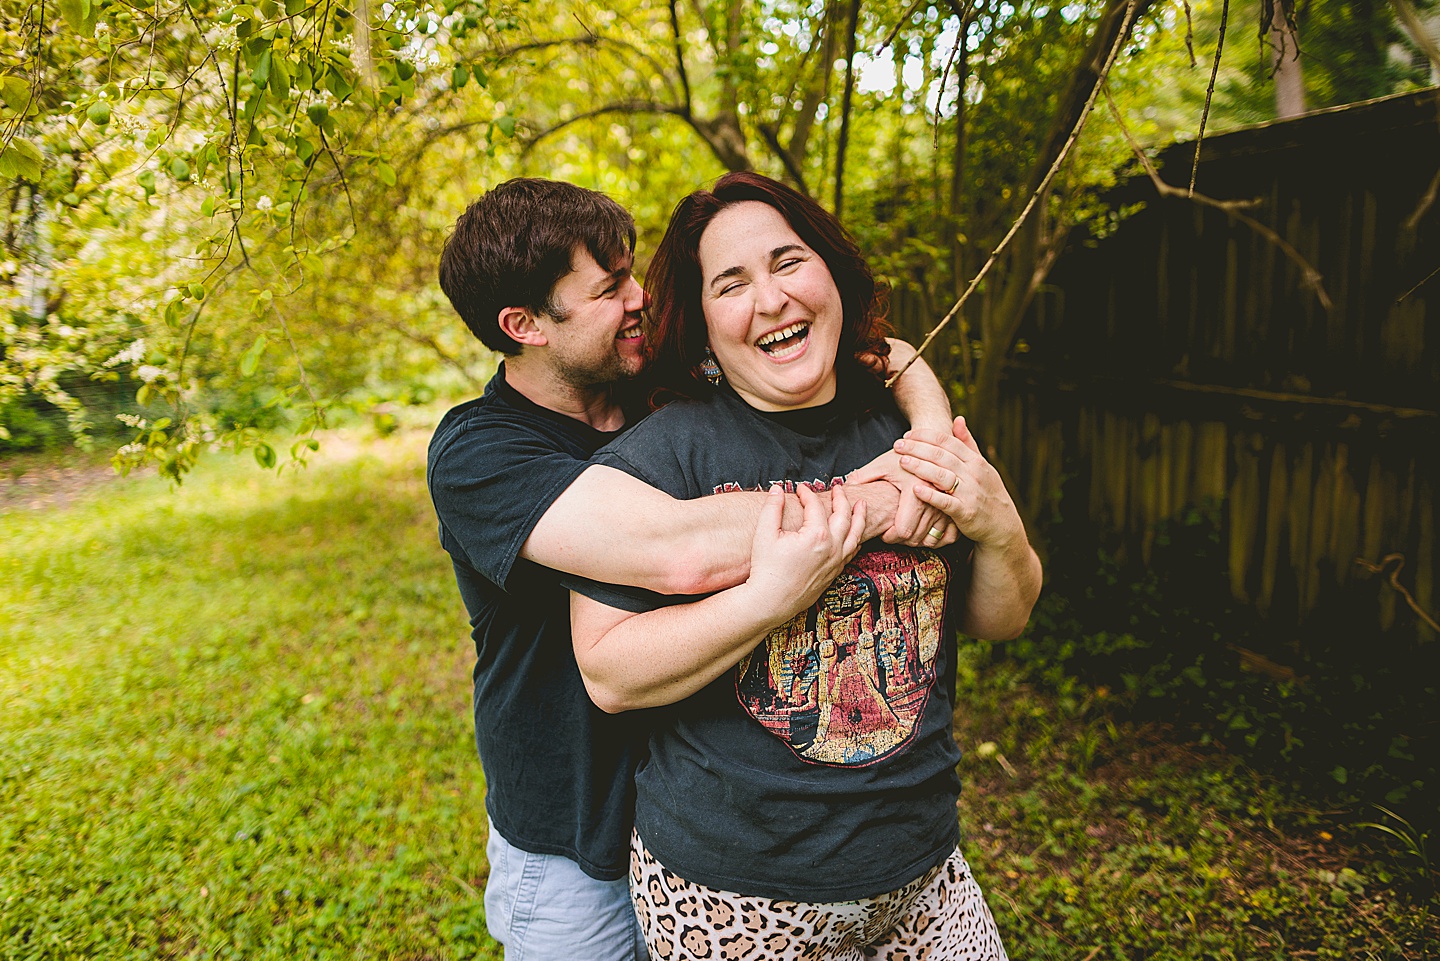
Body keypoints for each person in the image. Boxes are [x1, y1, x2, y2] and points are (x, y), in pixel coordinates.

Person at [427, 177, 965, 959]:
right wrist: (883, 499)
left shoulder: (660, 388)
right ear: (524, 325)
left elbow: (886, 351)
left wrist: (927, 436)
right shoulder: (481, 453)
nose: (641, 297)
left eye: (632, 271)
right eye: (610, 288)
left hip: (710, 819)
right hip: (576, 837)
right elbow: (676, 550)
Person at [568, 172, 1043, 959]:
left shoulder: (903, 424)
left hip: (923, 870)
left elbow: (1004, 615)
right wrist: (767, 598)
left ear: (831, 272)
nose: (771, 298)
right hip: (737, 897)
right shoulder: (659, 458)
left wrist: (998, 526)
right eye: (732, 283)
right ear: (704, 323)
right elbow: (610, 673)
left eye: (788, 262)